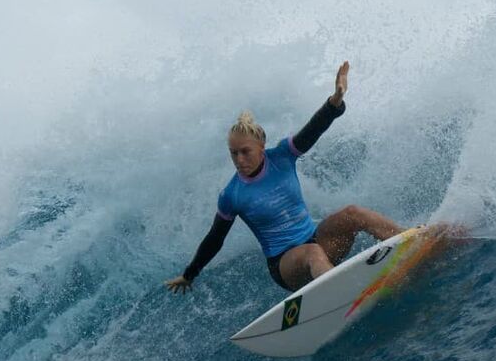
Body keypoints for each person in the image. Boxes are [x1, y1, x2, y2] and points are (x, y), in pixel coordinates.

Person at [164, 61, 405, 294]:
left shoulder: (281, 157)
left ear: (261, 146)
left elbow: (313, 130)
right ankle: (341, 294)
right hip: (285, 266)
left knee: (353, 213)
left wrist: (335, 101)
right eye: (233, 153)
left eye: (245, 151)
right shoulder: (232, 194)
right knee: (312, 253)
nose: (239, 159)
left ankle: (410, 242)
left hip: (317, 241)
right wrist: (189, 274)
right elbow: (214, 240)